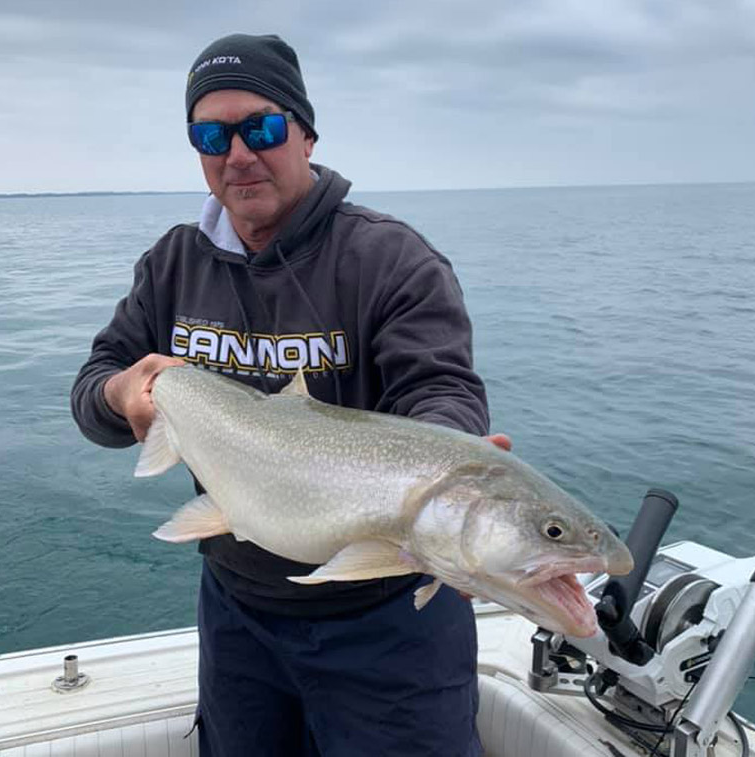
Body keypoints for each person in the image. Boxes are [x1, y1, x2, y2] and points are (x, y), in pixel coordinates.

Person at [72, 33, 508, 756]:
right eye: (211, 134)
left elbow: (441, 389)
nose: (238, 153)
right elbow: (96, 387)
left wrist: (449, 461)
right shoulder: (173, 263)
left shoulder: (391, 259)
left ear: (305, 132)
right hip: (237, 615)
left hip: (389, 619)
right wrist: (123, 392)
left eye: (262, 128)